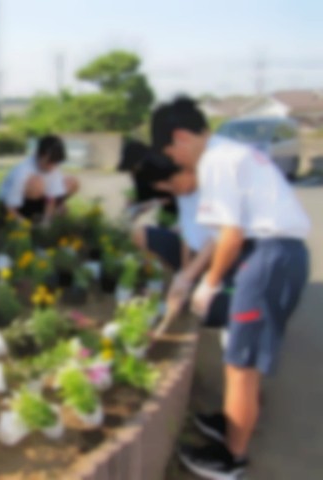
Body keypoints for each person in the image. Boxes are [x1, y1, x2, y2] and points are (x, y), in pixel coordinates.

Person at [151, 97, 310, 479]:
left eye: (172, 153)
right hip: (273, 255)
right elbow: (222, 233)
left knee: (241, 364)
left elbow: (231, 236)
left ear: (181, 137)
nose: (177, 162)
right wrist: (188, 277)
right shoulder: (229, 152)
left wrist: (208, 283)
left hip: (268, 256)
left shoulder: (216, 162)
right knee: (241, 355)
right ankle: (232, 421)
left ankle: (231, 457)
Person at [131, 156, 215, 308]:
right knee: (141, 234)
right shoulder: (183, 196)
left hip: (218, 253)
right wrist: (183, 271)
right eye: (167, 189)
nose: (173, 191)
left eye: (171, 185)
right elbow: (186, 236)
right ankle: (167, 286)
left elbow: (219, 239)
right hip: (195, 250)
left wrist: (188, 276)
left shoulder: (212, 188)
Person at [0, 135, 79, 225]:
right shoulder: (22, 171)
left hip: (36, 202)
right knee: (36, 183)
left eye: (55, 163)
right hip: (10, 205)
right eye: (49, 162)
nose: (52, 167)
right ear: (38, 155)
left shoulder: (53, 167)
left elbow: (50, 198)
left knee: (71, 183)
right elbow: (9, 206)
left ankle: (43, 216)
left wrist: (47, 221)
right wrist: (24, 224)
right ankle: (28, 218)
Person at [118, 138, 178, 224]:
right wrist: (136, 202)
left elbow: (179, 193)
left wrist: (166, 194)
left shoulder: (163, 166)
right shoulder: (139, 173)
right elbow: (143, 195)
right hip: (162, 214)